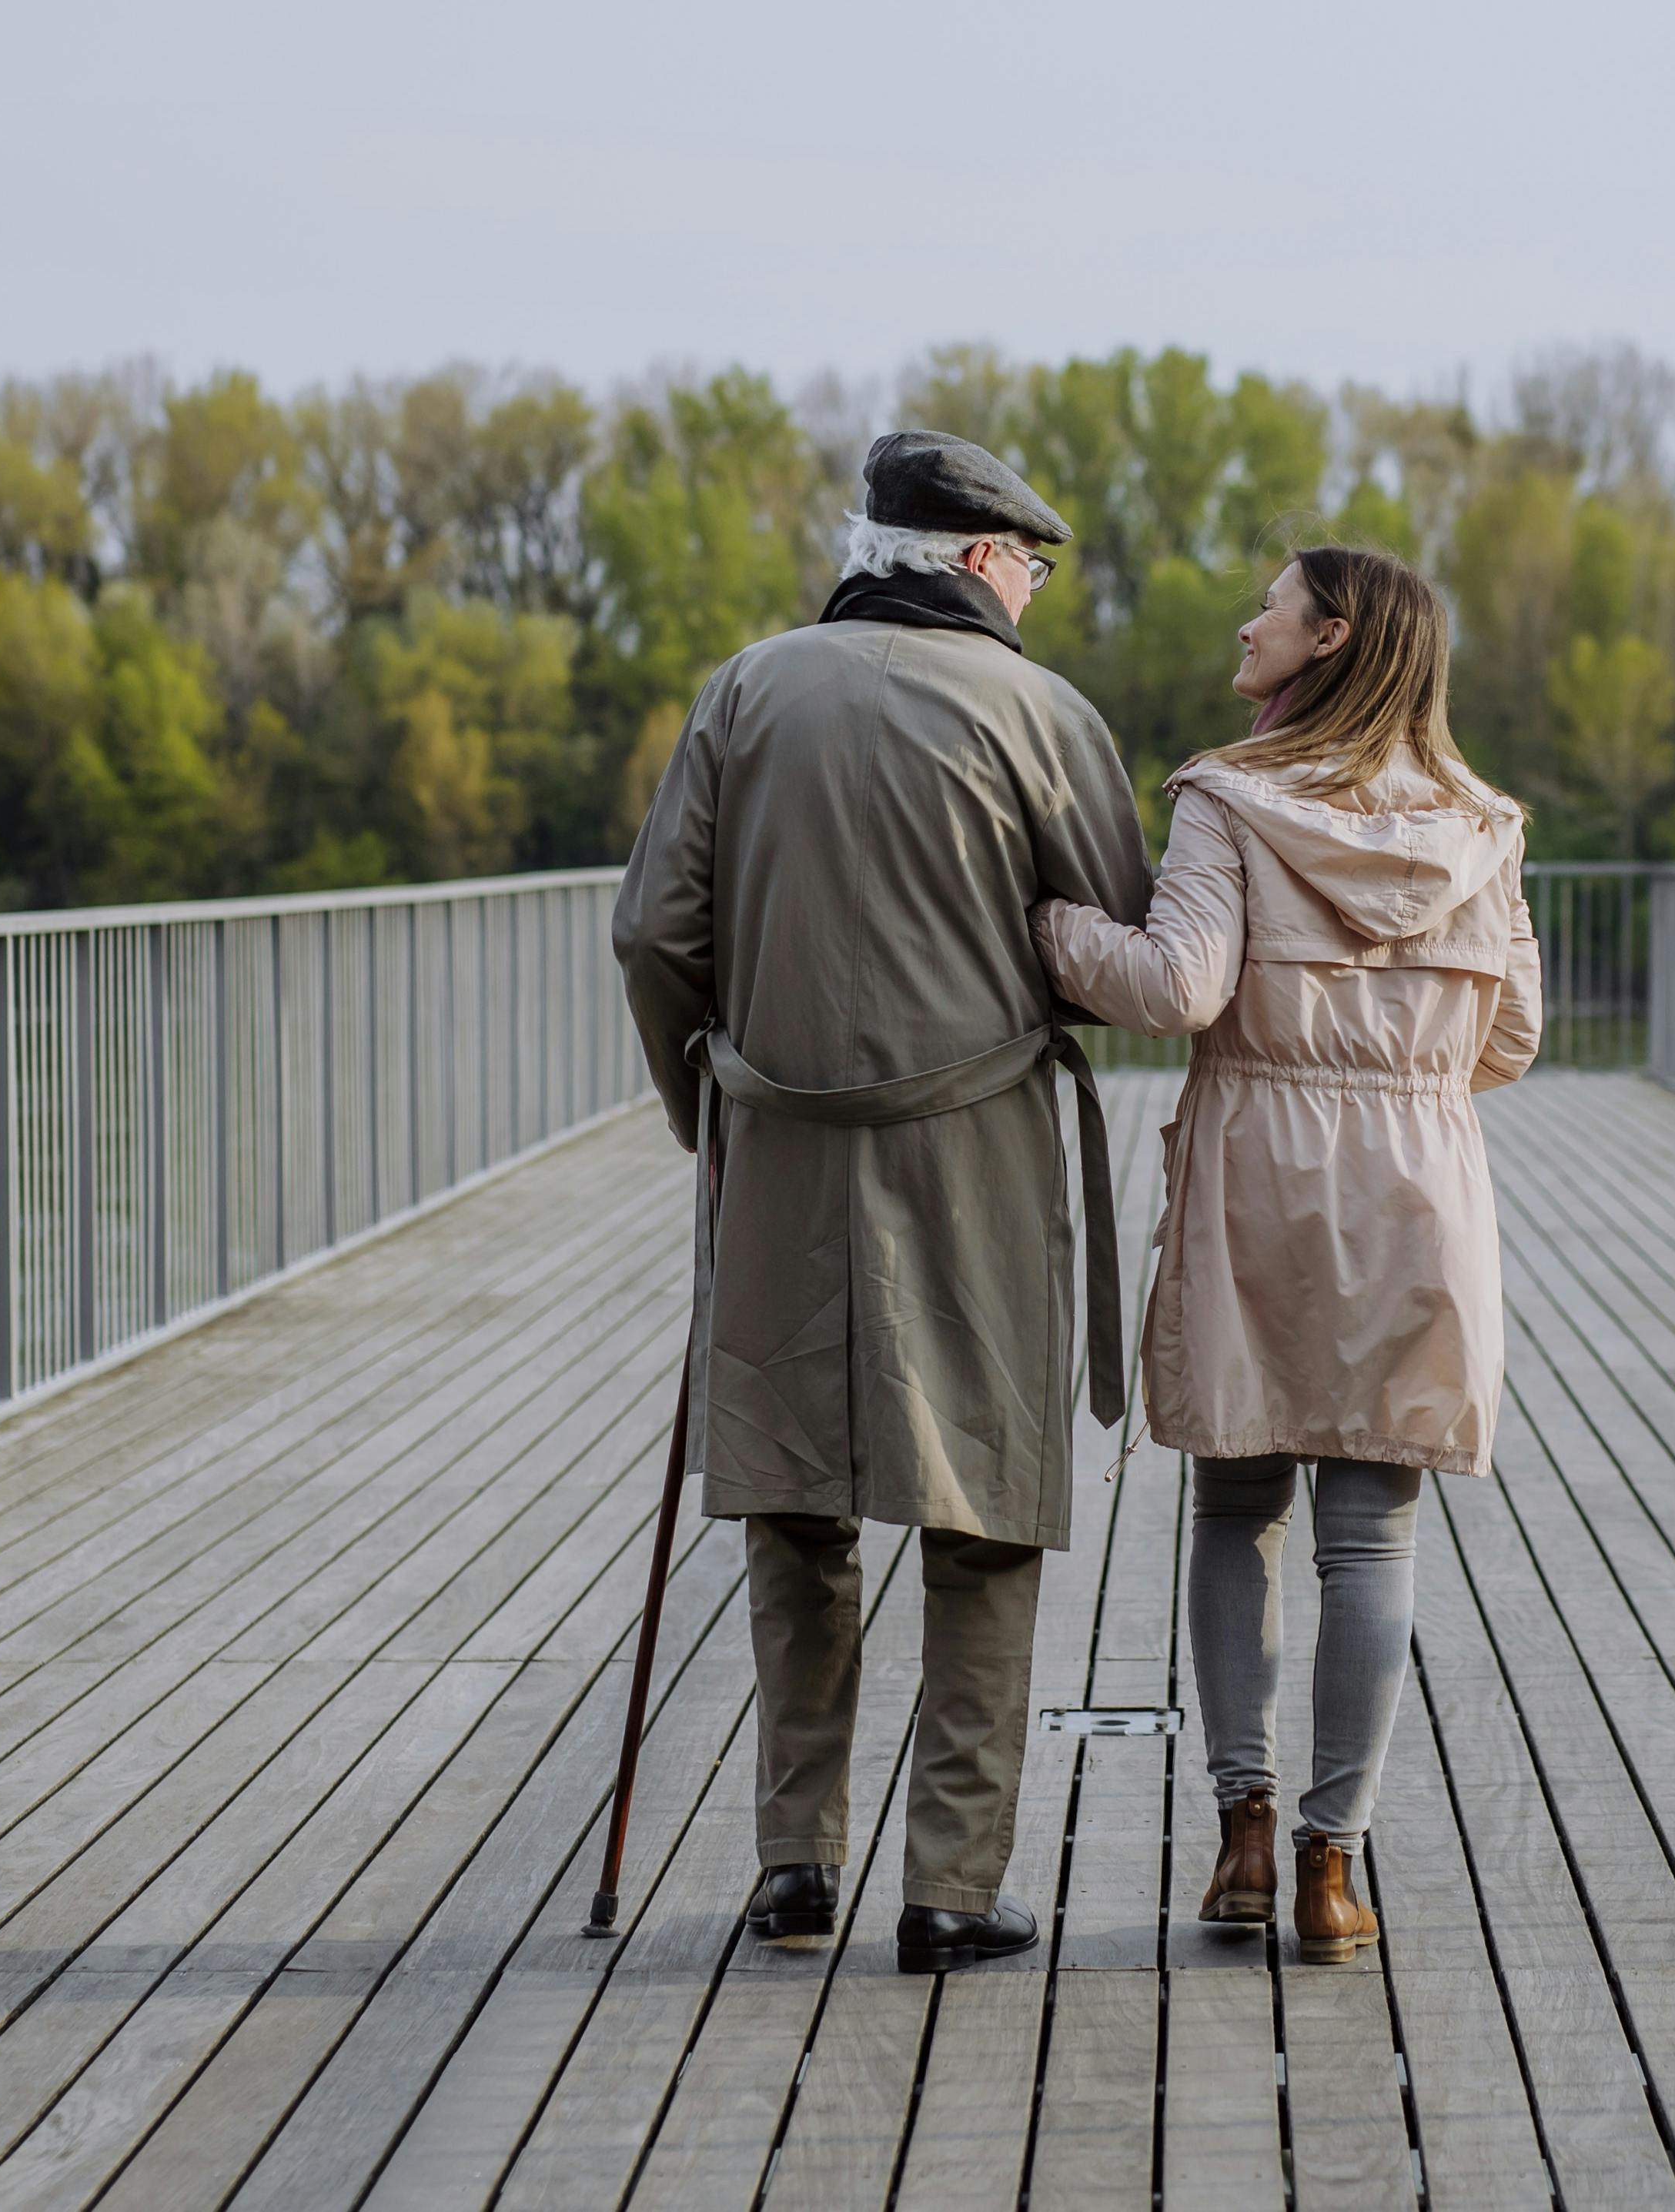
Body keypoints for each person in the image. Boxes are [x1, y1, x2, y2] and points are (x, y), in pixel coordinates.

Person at [613, 432, 1151, 1975]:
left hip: (776, 1139)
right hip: (969, 1146)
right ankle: (949, 1886)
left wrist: (702, 1106)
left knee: (792, 1498)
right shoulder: (1043, 714)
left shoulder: (744, 690)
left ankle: (794, 1866)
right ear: (981, 560)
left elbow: (652, 934)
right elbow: (1108, 950)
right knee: (980, 1507)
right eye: (1031, 570)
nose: (1035, 595)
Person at [1031, 546, 1540, 1966]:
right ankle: (1332, 1866)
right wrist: (1400, 1085)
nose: (1243, 622)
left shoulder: (1227, 799)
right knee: (1371, 1535)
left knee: (1232, 1511)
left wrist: (1046, 921)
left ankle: (1241, 1828)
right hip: (1418, 1192)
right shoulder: (1484, 827)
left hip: (1257, 1175)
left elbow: (1176, 984)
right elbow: (1511, 1039)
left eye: (1268, 602)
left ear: (1326, 636)